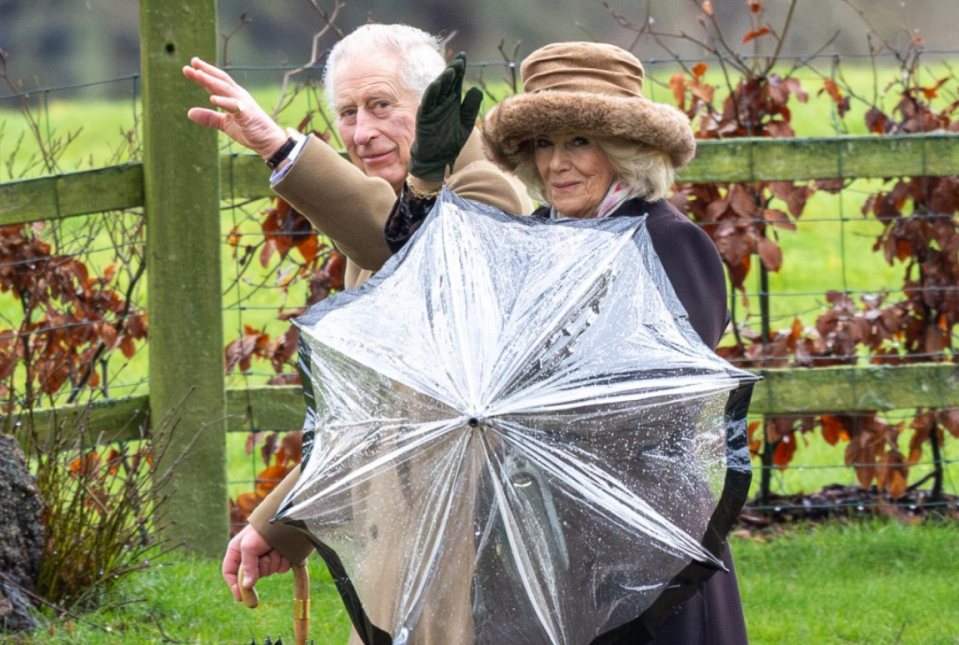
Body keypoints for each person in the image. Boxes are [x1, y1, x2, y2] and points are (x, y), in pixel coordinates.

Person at [390, 41, 747, 644]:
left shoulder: (668, 242)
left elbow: (664, 400)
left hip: (642, 550)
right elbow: (431, 284)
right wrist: (425, 184)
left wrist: (525, 413)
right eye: (544, 143)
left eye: (579, 141)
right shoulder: (531, 238)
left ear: (627, 149)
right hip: (533, 539)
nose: (557, 163)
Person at [182, 22, 532, 612]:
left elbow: (408, 258)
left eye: (380, 105)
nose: (362, 132)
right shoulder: (381, 216)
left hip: (474, 552)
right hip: (403, 550)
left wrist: (278, 145)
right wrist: (281, 528)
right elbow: (370, 418)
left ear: (435, 104)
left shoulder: (485, 191)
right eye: (346, 113)